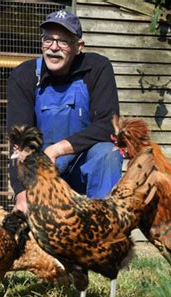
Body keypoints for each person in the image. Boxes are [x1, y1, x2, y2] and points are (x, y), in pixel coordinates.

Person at [7, 9, 123, 213]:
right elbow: (20, 142)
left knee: (108, 153)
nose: (53, 48)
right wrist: (21, 194)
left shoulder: (97, 68)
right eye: (48, 40)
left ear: (78, 47)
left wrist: (58, 149)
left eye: (63, 42)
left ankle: (103, 222)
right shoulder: (24, 76)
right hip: (43, 168)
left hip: (83, 164)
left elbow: (109, 125)